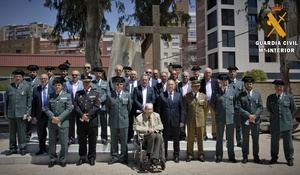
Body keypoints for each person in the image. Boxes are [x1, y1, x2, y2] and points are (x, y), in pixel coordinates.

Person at [266, 80, 296, 166]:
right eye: (277, 87)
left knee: (288, 143)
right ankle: (274, 158)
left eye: (281, 87)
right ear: (275, 88)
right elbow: (269, 109)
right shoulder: (270, 97)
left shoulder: (289, 97)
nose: (279, 88)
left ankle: (290, 158)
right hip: (275, 124)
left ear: (283, 88)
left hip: (286, 124)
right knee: (274, 143)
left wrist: (288, 119)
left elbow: (293, 109)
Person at [45, 78, 73, 167]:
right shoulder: (50, 96)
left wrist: (59, 118)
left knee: (64, 142)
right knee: (52, 141)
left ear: (62, 86)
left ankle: (62, 159)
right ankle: (52, 159)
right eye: (55, 85)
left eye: (59, 85)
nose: (57, 87)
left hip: (63, 123)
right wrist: (53, 117)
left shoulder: (67, 96)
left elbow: (69, 108)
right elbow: (46, 108)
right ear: (53, 86)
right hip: (52, 122)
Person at [75, 75, 101, 166]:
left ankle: (91, 157)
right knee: (81, 140)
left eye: (88, 82)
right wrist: (82, 115)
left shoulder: (96, 93)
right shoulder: (78, 93)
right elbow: (76, 106)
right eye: (84, 82)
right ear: (82, 82)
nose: (86, 83)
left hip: (92, 121)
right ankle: (82, 157)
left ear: (91, 83)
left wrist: (88, 115)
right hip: (81, 121)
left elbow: (97, 106)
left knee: (92, 140)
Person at [211, 74, 237, 163]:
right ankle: (219, 155)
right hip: (220, 118)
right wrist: (217, 111)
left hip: (230, 118)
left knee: (230, 138)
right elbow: (212, 103)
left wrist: (233, 113)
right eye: (222, 81)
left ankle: (231, 156)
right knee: (219, 138)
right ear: (220, 82)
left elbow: (235, 104)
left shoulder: (232, 91)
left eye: (226, 81)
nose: (224, 82)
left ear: (228, 82)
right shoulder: (216, 92)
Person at [5, 69, 32, 156]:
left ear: (22, 77)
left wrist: (27, 113)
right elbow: (6, 101)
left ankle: (23, 147)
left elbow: (29, 101)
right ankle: (12, 148)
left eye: (19, 76)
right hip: (11, 114)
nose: (17, 78)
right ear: (13, 77)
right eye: (16, 76)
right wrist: (6, 114)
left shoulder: (27, 86)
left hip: (22, 114)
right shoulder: (10, 87)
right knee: (12, 133)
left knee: (22, 132)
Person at [157, 80, 184, 163]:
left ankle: (176, 155)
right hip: (165, 122)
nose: (170, 86)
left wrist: (182, 121)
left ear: (174, 86)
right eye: (169, 84)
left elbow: (182, 109)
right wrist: (159, 122)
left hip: (176, 121)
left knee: (176, 140)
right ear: (166, 86)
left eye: (172, 84)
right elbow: (158, 110)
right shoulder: (161, 96)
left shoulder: (178, 95)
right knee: (164, 140)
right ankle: (164, 156)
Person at [237, 76, 263, 164]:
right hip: (245, 121)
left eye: (251, 84)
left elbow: (260, 107)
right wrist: (248, 115)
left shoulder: (257, 94)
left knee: (255, 139)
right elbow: (238, 107)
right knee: (245, 139)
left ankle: (256, 156)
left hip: (255, 120)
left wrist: (255, 115)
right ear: (245, 84)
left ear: (253, 85)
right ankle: (245, 156)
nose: (249, 85)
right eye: (247, 84)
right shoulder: (240, 95)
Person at [107, 76, 132, 164]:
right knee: (114, 140)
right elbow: (108, 108)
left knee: (124, 140)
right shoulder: (110, 95)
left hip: (124, 121)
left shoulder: (127, 95)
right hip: (113, 121)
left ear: (123, 85)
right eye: (117, 84)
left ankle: (124, 157)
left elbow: (129, 108)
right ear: (114, 85)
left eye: (121, 84)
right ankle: (114, 156)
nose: (119, 86)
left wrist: (123, 116)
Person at [133, 103, 165, 169]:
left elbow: (161, 126)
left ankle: (154, 158)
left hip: (155, 137)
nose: (151, 111)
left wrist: (154, 129)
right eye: (149, 109)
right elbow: (135, 127)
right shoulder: (139, 118)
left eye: (151, 109)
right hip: (144, 138)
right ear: (145, 110)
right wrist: (147, 129)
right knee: (153, 135)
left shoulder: (156, 115)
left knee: (159, 136)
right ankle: (151, 156)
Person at [184, 80, 207, 162]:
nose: (196, 87)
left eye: (197, 86)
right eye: (194, 86)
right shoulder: (187, 96)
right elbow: (185, 109)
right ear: (191, 87)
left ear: (199, 87)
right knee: (190, 138)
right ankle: (190, 154)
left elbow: (205, 108)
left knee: (200, 139)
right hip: (190, 121)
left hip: (200, 121)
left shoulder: (203, 96)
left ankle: (201, 154)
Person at [31, 74, 54, 155]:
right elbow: (33, 104)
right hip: (40, 115)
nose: (43, 80)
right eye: (41, 79)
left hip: (50, 115)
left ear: (48, 79)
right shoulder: (36, 89)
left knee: (52, 133)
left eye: (45, 78)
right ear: (39, 80)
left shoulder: (53, 89)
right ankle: (42, 149)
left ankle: (52, 150)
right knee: (41, 133)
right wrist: (33, 116)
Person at [130, 74, 156, 142]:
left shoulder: (151, 89)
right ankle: (138, 140)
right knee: (139, 127)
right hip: (139, 111)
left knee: (148, 126)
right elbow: (135, 100)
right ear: (140, 80)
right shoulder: (136, 89)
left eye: (146, 80)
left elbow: (153, 99)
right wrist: (142, 108)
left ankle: (147, 141)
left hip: (148, 112)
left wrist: (147, 108)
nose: (144, 81)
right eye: (143, 80)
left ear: (148, 81)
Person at [65, 70, 84, 144]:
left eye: (76, 75)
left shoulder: (82, 84)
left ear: (79, 76)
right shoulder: (67, 84)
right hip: (71, 106)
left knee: (80, 123)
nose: (74, 76)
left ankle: (80, 137)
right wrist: (69, 104)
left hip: (80, 107)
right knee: (71, 123)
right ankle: (71, 137)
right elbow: (66, 95)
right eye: (73, 75)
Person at [200, 67, 219, 140]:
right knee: (203, 119)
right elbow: (200, 92)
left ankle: (214, 135)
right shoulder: (201, 82)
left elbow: (217, 91)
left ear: (211, 73)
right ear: (204, 74)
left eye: (209, 72)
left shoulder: (215, 81)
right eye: (206, 72)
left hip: (213, 102)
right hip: (205, 102)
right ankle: (204, 135)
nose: (207, 74)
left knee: (214, 119)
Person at [227, 66, 244, 147]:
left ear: (236, 73)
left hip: (238, 108)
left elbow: (243, 96)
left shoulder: (241, 83)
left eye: (233, 71)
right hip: (229, 108)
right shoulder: (226, 82)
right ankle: (229, 141)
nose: (232, 73)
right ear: (228, 73)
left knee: (238, 125)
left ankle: (239, 141)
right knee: (229, 126)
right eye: (230, 71)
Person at [92, 67, 109, 145]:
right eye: (96, 73)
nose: (98, 75)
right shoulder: (92, 83)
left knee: (104, 123)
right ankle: (94, 137)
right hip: (94, 106)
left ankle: (104, 138)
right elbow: (91, 93)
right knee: (94, 123)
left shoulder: (106, 83)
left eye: (100, 73)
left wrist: (100, 100)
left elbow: (107, 93)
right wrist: (96, 101)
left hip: (103, 106)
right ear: (94, 74)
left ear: (102, 74)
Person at [25, 64, 40, 142]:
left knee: (39, 121)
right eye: (31, 72)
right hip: (29, 104)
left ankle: (40, 136)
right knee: (28, 120)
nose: (32, 73)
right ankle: (27, 135)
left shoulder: (40, 81)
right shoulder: (26, 81)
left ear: (36, 73)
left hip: (37, 104)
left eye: (34, 72)